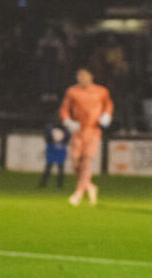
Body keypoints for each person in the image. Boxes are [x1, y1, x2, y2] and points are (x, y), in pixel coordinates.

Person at [59, 68, 113, 206]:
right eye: (79, 77)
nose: (82, 80)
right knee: (76, 162)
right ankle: (89, 186)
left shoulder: (101, 91)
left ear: (91, 77)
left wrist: (106, 115)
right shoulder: (72, 91)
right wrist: (67, 120)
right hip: (78, 130)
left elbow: (108, 105)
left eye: (84, 77)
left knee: (87, 160)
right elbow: (64, 108)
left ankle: (78, 193)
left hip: (93, 130)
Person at [39, 120, 69, 191]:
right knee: (49, 168)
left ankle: (59, 184)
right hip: (53, 151)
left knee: (58, 168)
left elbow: (67, 138)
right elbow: (47, 137)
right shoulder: (52, 129)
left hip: (59, 151)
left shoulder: (63, 130)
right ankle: (44, 184)